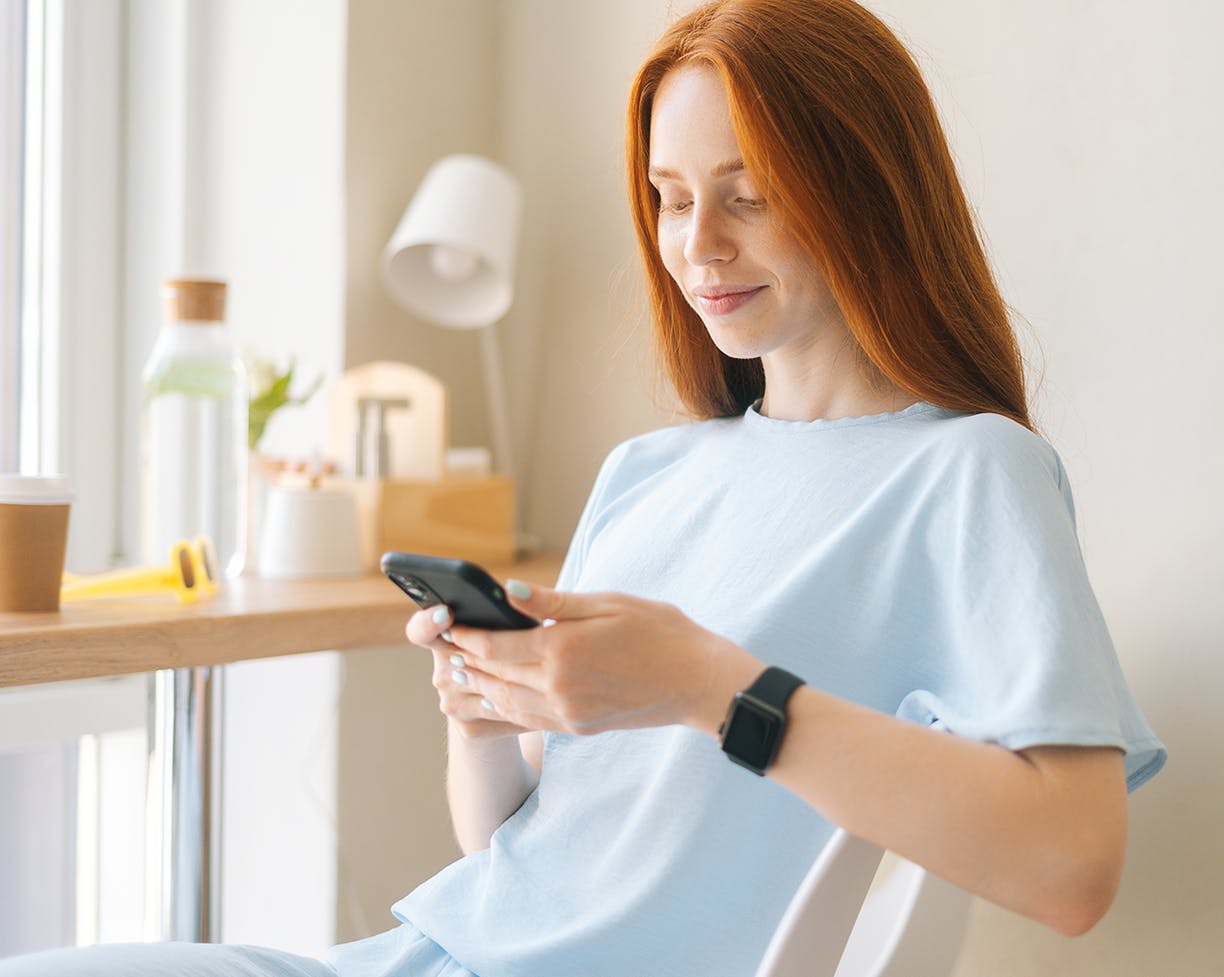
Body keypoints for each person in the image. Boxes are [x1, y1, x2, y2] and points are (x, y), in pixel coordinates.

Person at [1, 1, 1164, 975]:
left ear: (864, 188)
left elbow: (1070, 865)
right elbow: (526, 857)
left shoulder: (971, 475)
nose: (696, 242)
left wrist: (710, 685)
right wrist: (484, 715)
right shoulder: (651, 473)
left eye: (747, 192)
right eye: (667, 195)